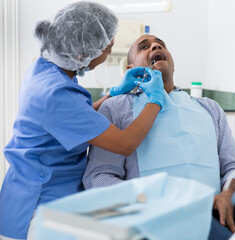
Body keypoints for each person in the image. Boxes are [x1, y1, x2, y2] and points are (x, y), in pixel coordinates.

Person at [0, 2, 165, 240]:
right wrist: (156, 100)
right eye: (107, 49)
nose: (110, 50)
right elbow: (126, 143)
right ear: (81, 54)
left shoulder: (49, 69)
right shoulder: (55, 93)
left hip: (35, 194)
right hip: (36, 210)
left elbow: (76, 118)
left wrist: (114, 93)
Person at [83, 34, 235, 240]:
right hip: (161, 213)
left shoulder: (210, 108)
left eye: (160, 45)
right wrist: (150, 202)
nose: (155, 46)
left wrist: (228, 194)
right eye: (144, 47)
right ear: (131, 70)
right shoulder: (115, 108)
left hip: (217, 204)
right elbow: (98, 177)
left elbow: (234, 166)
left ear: (173, 66)